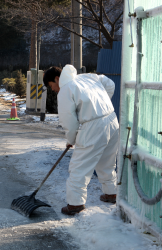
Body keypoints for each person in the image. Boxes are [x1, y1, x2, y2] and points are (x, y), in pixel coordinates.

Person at [44, 65, 119, 215]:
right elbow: (110, 84)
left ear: (57, 79)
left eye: (51, 86)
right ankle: (111, 193)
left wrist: (71, 139)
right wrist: (100, 104)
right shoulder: (87, 77)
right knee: (107, 162)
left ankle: (75, 204)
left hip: (93, 126)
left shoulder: (66, 89)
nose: (53, 89)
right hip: (111, 120)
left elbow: (68, 121)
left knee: (79, 167)